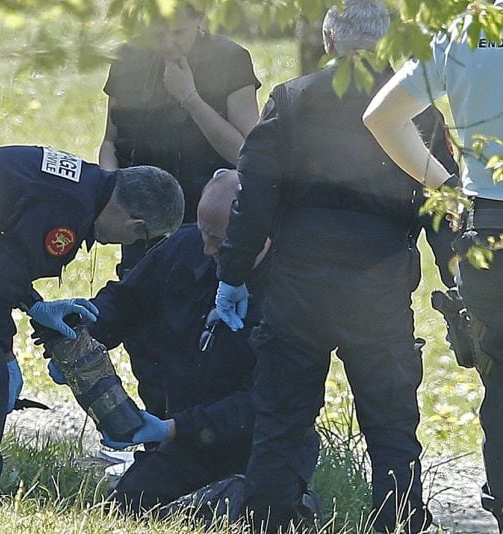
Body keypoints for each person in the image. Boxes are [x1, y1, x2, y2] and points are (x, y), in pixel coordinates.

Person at [213, 1, 458, 531]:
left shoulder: (292, 100)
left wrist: (232, 274)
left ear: (328, 42)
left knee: (281, 420)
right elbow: (444, 205)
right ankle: (398, 522)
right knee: (391, 426)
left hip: (300, 280)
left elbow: (254, 195)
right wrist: (457, 276)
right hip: (380, 282)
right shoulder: (420, 110)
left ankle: (268, 521)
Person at [0, 144, 184, 502]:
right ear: (135, 225)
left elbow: (0, 260)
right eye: (139, 239)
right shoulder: (71, 209)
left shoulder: (83, 185)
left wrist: (33, 304)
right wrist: (4, 354)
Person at [46, 170, 318, 515]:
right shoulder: (187, 247)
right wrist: (81, 334)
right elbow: (128, 300)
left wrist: (171, 429)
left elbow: (266, 401)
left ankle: (292, 503)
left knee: (252, 514)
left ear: (256, 232)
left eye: (218, 240)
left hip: (259, 447)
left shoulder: (297, 292)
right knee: (128, 507)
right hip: (188, 446)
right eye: (204, 233)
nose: (207, 248)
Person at [363, 3, 503, 529]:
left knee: (501, 377)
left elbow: (381, 116)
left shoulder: (464, 31)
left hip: (490, 224)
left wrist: (444, 185)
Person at [98, 4, 261, 276]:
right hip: (142, 214)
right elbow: (110, 142)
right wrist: (108, 189)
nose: (168, 43)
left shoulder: (230, 59)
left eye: (178, 32)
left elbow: (245, 153)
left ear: (200, 18)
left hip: (204, 215)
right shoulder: (127, 59)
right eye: (157, 34)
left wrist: (189, 98)